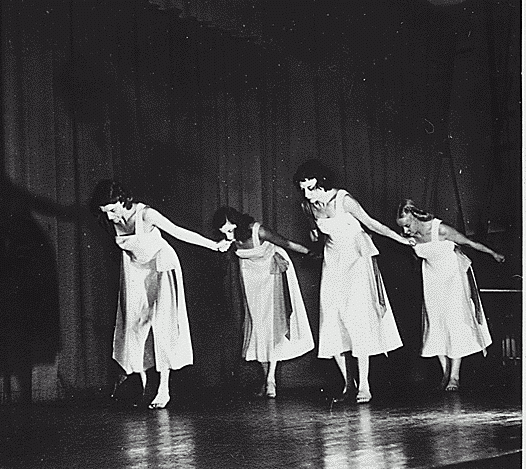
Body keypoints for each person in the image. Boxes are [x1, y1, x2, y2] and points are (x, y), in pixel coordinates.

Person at [90, 180, 230, 409]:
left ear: (122, 200)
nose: (112, 218)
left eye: (113, 211)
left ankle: (164, 387)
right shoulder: (111, 219)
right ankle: (143, 383)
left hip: (161, 266)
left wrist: (214, 246)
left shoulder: (146, 215)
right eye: (106, 213)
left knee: (162, 325)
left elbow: (178, 232)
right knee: (134, 327)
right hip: (135, 271)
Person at [293, 159, 412, 403]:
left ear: (322, 183)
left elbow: (372, 224)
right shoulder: (308, 206)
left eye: (310, 187)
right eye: (302, 188)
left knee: (358, 320)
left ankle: (364, 386)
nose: (306, 193)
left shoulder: (343, 200)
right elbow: (318, 233)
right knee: (332, 320)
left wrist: (401, 241)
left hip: (356, 260)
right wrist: (315, 238)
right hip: (332, 262)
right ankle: (349, 385)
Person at [396, 199, 505, 391]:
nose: (405, 231)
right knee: (435, 323)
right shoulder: (410, 237)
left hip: (453, 278)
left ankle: (454, 376)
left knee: (454, 322)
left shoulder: (441, 230)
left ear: (414, 217)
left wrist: (493, 254)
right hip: (431, 279)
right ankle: (445, 371)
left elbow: (470, 242)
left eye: (406, 226)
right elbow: (418, 257)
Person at [212, 207, 316, 398]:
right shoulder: (230, 240)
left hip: (272, 272)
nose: (227, 235)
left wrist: (310, 251)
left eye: (229, 230)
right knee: (257, 326)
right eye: (224, 232)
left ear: (237, 223)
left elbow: (285, 243)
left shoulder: (257, 230)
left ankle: (271, 380)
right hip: (250, 277)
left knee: (273, 324)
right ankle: (266, 378)